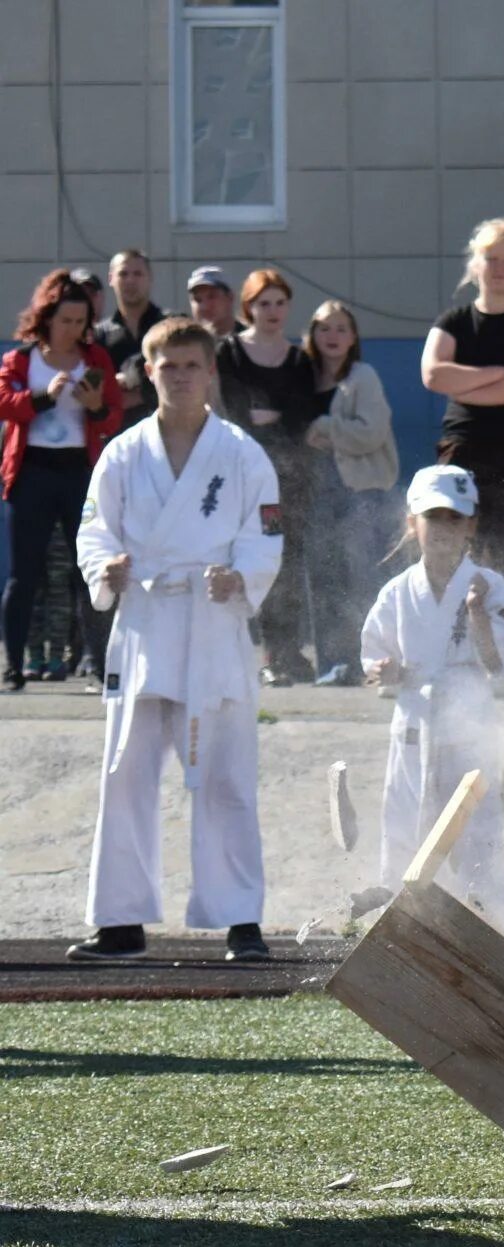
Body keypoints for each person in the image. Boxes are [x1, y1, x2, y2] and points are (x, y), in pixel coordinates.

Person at [68, 315, 281, 962]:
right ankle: (121, 920)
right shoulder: (123, 453)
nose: (182, 376)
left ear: (211, 372)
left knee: (225, 775)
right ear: (148, 372)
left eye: (193, 365)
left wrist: (242, 577)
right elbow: (94, 529)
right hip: (145, 615)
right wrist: (105, 567)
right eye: (169, 366)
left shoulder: (242, 453)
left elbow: (265, 531)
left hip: (212, 621)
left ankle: (240, 916)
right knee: (126, 773)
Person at [361, 466, 504, 912]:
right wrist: (384, 670)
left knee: (478, 833)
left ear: (471, 525)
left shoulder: (490, 586)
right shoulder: (396, 592)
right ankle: (399, 934)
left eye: (455, 518)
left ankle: (490, 930)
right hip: (414, 724)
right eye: (433, 517)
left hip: (469, 723)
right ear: (413, 523)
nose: (443, 529)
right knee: (404, 829)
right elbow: (373, 657)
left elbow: (499, 663)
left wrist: (478, 618)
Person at [423, 218, 504, 666]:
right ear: (475, 264)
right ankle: (450, 652)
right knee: (454, 554)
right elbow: (433, 375)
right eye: (491, 258)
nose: (499, 268)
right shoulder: (453, 321)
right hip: (463, 452)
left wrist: (469, 384)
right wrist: (502, 374)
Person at [1, 270, 122, 691]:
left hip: (77, 472)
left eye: (80, 321)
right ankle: (12, 664)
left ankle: (98, 660)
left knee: (86, 569)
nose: (73, 329)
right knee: (24, 574)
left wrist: (93, 407)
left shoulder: (96, 361)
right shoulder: (20, 360)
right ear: (46, 317)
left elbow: (113, 415)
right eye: (65, 319)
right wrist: (43, 396)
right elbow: (6, 405)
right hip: (31, 472)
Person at [213, 269, 318, 686]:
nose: (272, 311)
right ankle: (232, 651)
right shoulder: (229, 353)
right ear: (248, 308)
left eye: (279, 303)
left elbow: (300, 416)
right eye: (263, 303)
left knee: (282, 562)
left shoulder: (299, 360)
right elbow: (231, 412)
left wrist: (273, 417)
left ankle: (282, 652)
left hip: (287, 482)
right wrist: (268, 417)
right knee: (231, 559)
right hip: (239, 476)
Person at [305, 301, 399, 685]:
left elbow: (371, 432)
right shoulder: (304, 377)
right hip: (318, 492)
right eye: (325, 328)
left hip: (362, 493)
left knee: (364, 579)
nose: (333, 336)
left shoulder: (363, 376)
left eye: (342, 328)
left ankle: (373, 662)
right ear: (312, 334)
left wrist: (326, 425)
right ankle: (331, 663)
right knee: (324, 580)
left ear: (354, 337)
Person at [98, 249, 164, 433]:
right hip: (116, 437)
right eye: (123, 274)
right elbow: (95, 389)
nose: (130, 280)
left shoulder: (170, 326)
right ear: (111, 279)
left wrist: (139, 395)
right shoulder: (99, 335)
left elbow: (181, 377)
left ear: (149, 278)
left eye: (138, 274)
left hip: (165, 433)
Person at [185, 267, 236, 339]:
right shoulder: (184, 344)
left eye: (212, 297)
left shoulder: (251, 341)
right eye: (197, 299)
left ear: (230, 298)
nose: (204, 306)